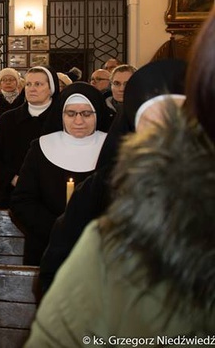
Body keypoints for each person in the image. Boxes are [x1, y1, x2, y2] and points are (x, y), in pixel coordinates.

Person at [26, 17, 215, 344]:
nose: (166, 137)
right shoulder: (99, 193)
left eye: (179, 121)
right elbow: (58, 288)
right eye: (153, 126)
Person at [39, 59, 187, 292]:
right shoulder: (100, 187)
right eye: (151, 121)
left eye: (177, 117)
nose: (164, 131)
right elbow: (57, 273)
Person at [10, 82, 109, 265]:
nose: (78, 121)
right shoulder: (40, 148)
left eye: (87, 113)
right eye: (70, 114)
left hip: (101, 250)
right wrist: (59, 229)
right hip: (47, 247)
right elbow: (22, 201)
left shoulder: (113, 149)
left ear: (98, 113)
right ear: (61, 114)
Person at [0, 66, 60, 208]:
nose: (31, 88)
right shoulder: (8, 119)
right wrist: (13, 179)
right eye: (28, 84)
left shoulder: (61, 120)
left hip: (51, 197)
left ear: (51, 88)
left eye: (38, 84)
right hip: (12, 194)